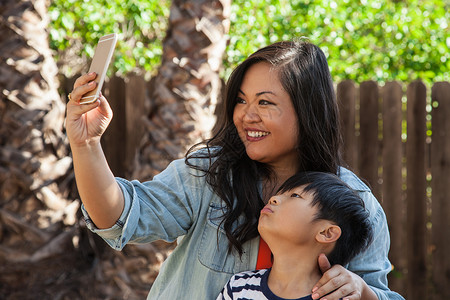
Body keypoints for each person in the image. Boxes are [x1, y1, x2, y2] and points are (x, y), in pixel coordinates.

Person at [65, 40, 404, 299]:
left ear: (308, 112)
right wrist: (86, 144)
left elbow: (379, 293)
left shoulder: (355, 202)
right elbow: (119, 216)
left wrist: (362, 291)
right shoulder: (209, 173)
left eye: (265, 102)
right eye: (241, 100)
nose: (246, 115)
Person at [217, 171, 373, 300]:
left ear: (326, 233)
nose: (274, 198)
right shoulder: (238, 287)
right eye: (279, 194)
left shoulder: (338, 298)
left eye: (295, 196)